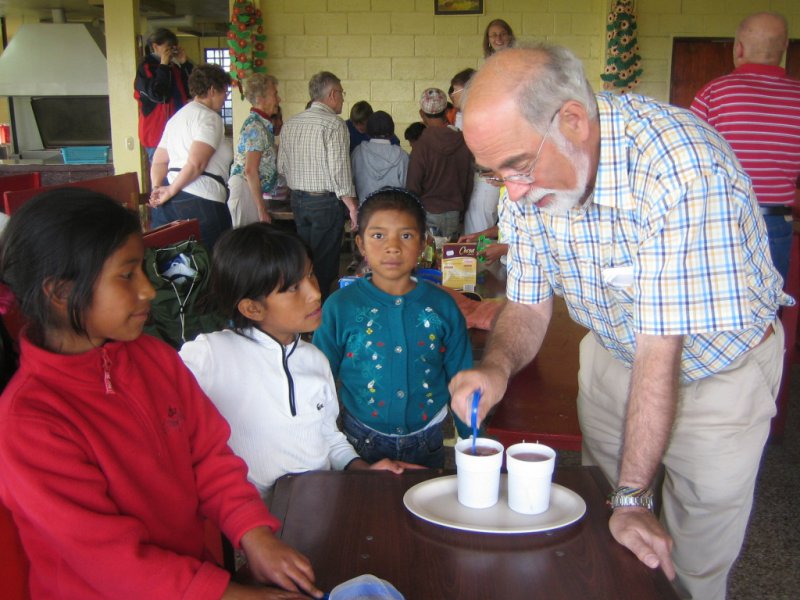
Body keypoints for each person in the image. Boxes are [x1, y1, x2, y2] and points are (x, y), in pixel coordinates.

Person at [451, 45, 789, 600]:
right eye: (493, 173)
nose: (511, 190)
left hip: (718, 372)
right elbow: (530, 302)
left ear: (574, 122)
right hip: (614, 350)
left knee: (688, 562)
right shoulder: (525, 173)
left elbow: (663, 347)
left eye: (517, 166)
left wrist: (634, 498)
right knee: (606, 528)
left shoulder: (680, 168)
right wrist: (497, 370)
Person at [0, 189, 322, 599]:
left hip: (190, 578)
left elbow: (209, 455)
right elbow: (109, 561)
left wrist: (253, 534)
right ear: (61, 293)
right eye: (126, 274)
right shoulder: (29, 422)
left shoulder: (154, 358)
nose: (149, 290)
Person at [180, 224, 418, 499]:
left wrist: (362, 467)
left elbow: (329, 437)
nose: (315, 293)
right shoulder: (210, 355)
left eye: (311, 275)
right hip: (252, 528)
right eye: (293, 287)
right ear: (252, 308)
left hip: (319, 505)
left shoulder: (314, 359)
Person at [313, 187, 472, 468]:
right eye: (378, 235)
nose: (393, 246)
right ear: (360, 244)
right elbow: (317, 381)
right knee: (365, 510)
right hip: (360, 439)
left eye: (407, 235)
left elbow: (463, 379)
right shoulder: (340, 307)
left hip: (428, 439)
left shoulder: (443, 306)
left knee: (424, 509)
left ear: (423, 243)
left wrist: (473, 441)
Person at [690, 12, 800, 283]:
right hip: (775, 222)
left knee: (715, 307)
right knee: (765, 314)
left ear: (738, 48)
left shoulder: (713, 93)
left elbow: (688, 160)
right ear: (785, 47)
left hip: (721, 219)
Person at [278, 71, 359, 300]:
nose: (343, 98)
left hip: (298, 201)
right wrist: (352, 206)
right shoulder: (334, 124)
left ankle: (302, 308)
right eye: (342, 93)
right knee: (324, 264)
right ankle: (318, 315)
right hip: (324, 202)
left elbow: (282, 167)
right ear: (333, 94)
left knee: (304, 260)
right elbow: (339, 170)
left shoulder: (291, 123)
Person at [149, 63, 233, 251]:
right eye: (224, 93)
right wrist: (169, 190)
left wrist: (158, 189)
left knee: (178, 264)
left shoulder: (176, 118)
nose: (224, 98)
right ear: (212, 90)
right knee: (215, 262)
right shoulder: (210, 117)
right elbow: (197, 163)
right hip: (201, 199)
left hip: (170, 202)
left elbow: (159, 161)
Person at [405, 88, 474, 240]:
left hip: (429, 212)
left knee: (430, 259)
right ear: (446, 112)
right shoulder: (463, 141)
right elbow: (469, 182)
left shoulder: (421, 145)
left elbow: (413, 185)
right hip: (455, 213)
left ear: (422, 114)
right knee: (450, 259)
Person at [449, 68, 501, 235]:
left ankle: (482, 261)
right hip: (476, 177)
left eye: (455, 90)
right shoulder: (465, 113)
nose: (452, 95)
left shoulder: (484, 114)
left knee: (479, 227)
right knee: (472, 224)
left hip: (487, 179)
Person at [228, 74, 281, 227]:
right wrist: (261, 208)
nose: (279, 100)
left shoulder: (262, 124)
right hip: (246, 191)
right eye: (275, 94)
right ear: (260, 99)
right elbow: (250, 170)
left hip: (250, 192)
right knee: (246, 246)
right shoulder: (256, 127)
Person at [134, 28, 193, 162]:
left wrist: (184, 63)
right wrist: (164, 66)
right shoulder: (146, 68)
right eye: (168, 48)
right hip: (156, 134)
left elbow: (194, 90)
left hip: (178, 132)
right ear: (155, 46)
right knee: (161, 177)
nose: (171, 52)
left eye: (173, 48)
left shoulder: (175, 69)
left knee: (178, 175)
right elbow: (157, 94)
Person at [351, 111, 409, 204]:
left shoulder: (357, 152)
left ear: (368, 131)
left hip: (365, 211)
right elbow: (406, 187)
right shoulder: (402, 156)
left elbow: (351, 183)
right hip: (394, 211)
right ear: (392, 132)